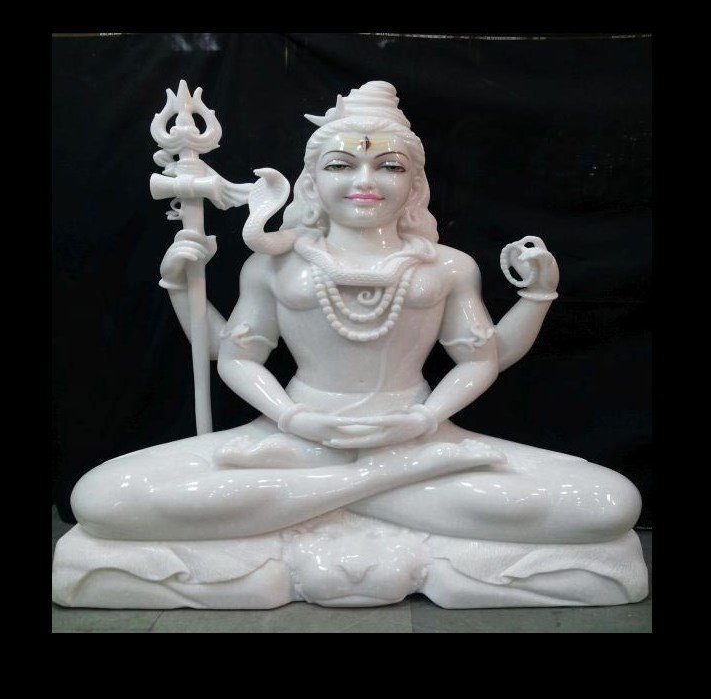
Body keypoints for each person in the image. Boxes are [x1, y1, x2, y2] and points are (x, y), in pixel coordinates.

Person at [70, 82, 642, 552]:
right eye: (342, 165)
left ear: (413, 184)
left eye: (388, 166)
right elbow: (234, 356)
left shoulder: (446, 266)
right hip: (294, 435)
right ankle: (383, 489)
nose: (365, 182)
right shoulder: (275, 264)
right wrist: (290, 415)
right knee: (101, 498)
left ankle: (323, 499)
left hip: (417, 435)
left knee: (609, 504)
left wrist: (533, 301)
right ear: (312, 182)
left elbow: (481, 359)